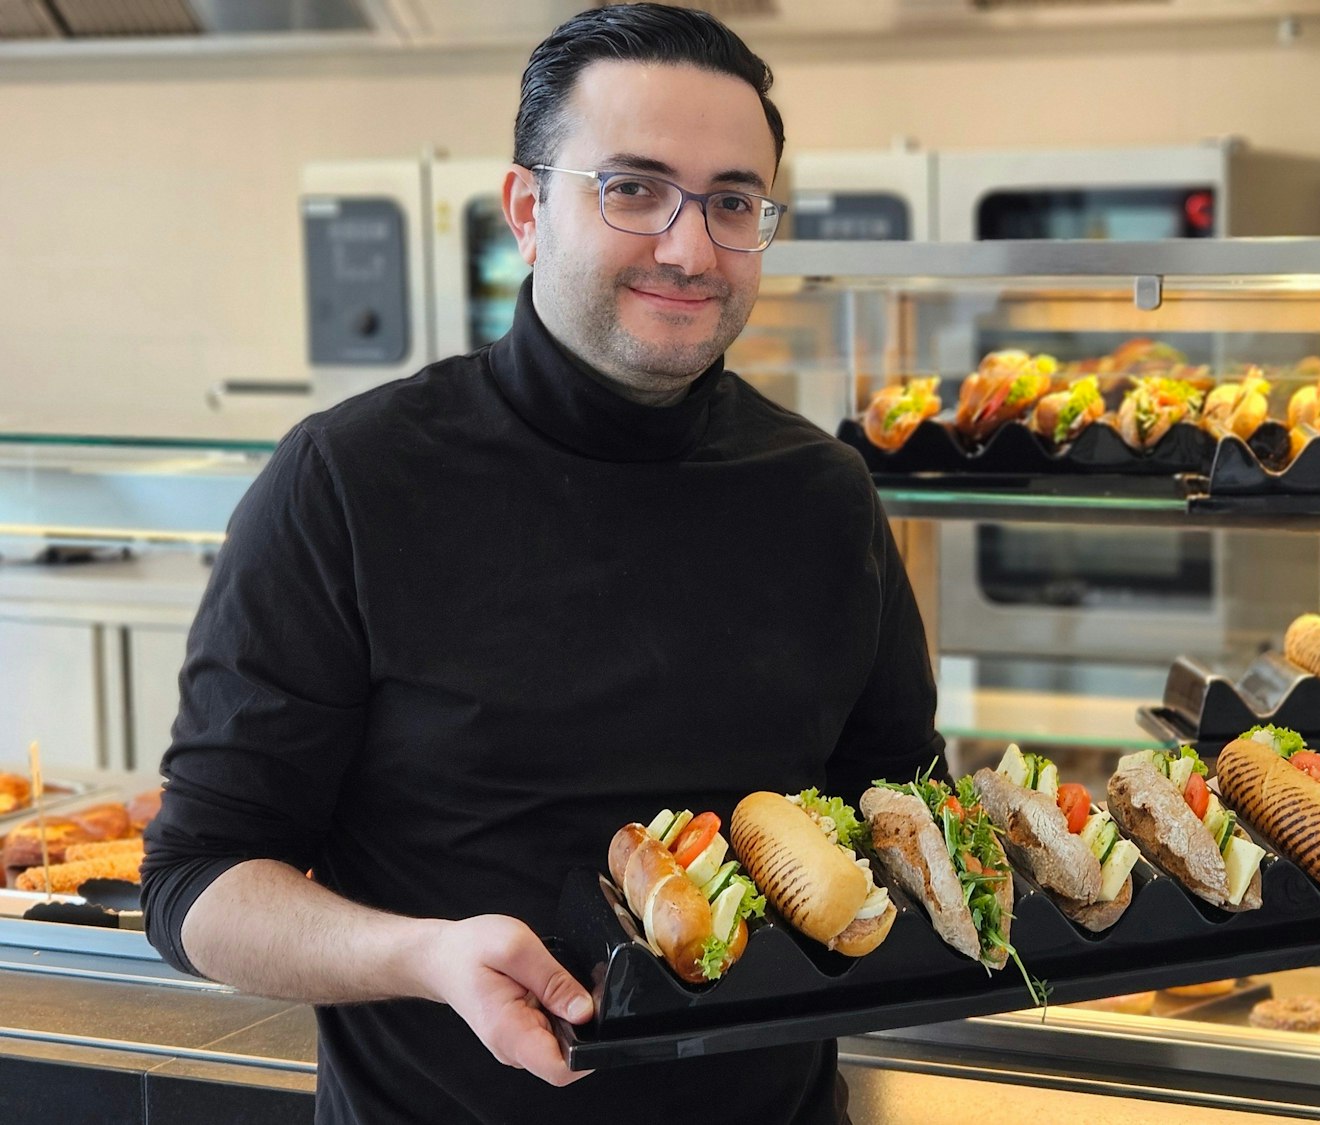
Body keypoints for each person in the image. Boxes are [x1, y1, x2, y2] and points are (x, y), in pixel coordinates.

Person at [140, 6, 941, 1122]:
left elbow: (893, 797)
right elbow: (196, 884)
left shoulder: (822, 493)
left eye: (730, 202)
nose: (688, 247)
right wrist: (424, 957)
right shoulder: (350, 481)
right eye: (632, 188)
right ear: (526, 209)